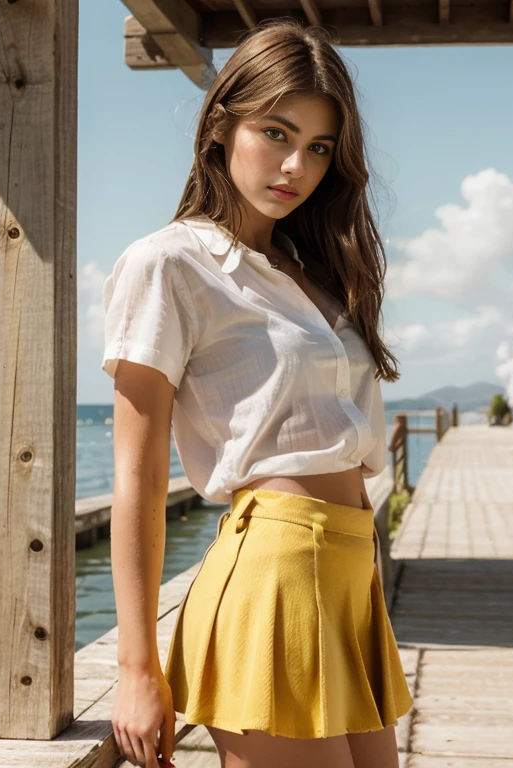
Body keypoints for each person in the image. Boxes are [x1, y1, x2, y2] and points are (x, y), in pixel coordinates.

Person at [101, 17, 413, 768]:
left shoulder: (315, 277)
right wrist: (137, 668)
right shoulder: (171, 265)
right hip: (272, 575)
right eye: (275, 132)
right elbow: (138, 475)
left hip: (348, 578)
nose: (295, 164)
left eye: (317, 147)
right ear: (221, 124)